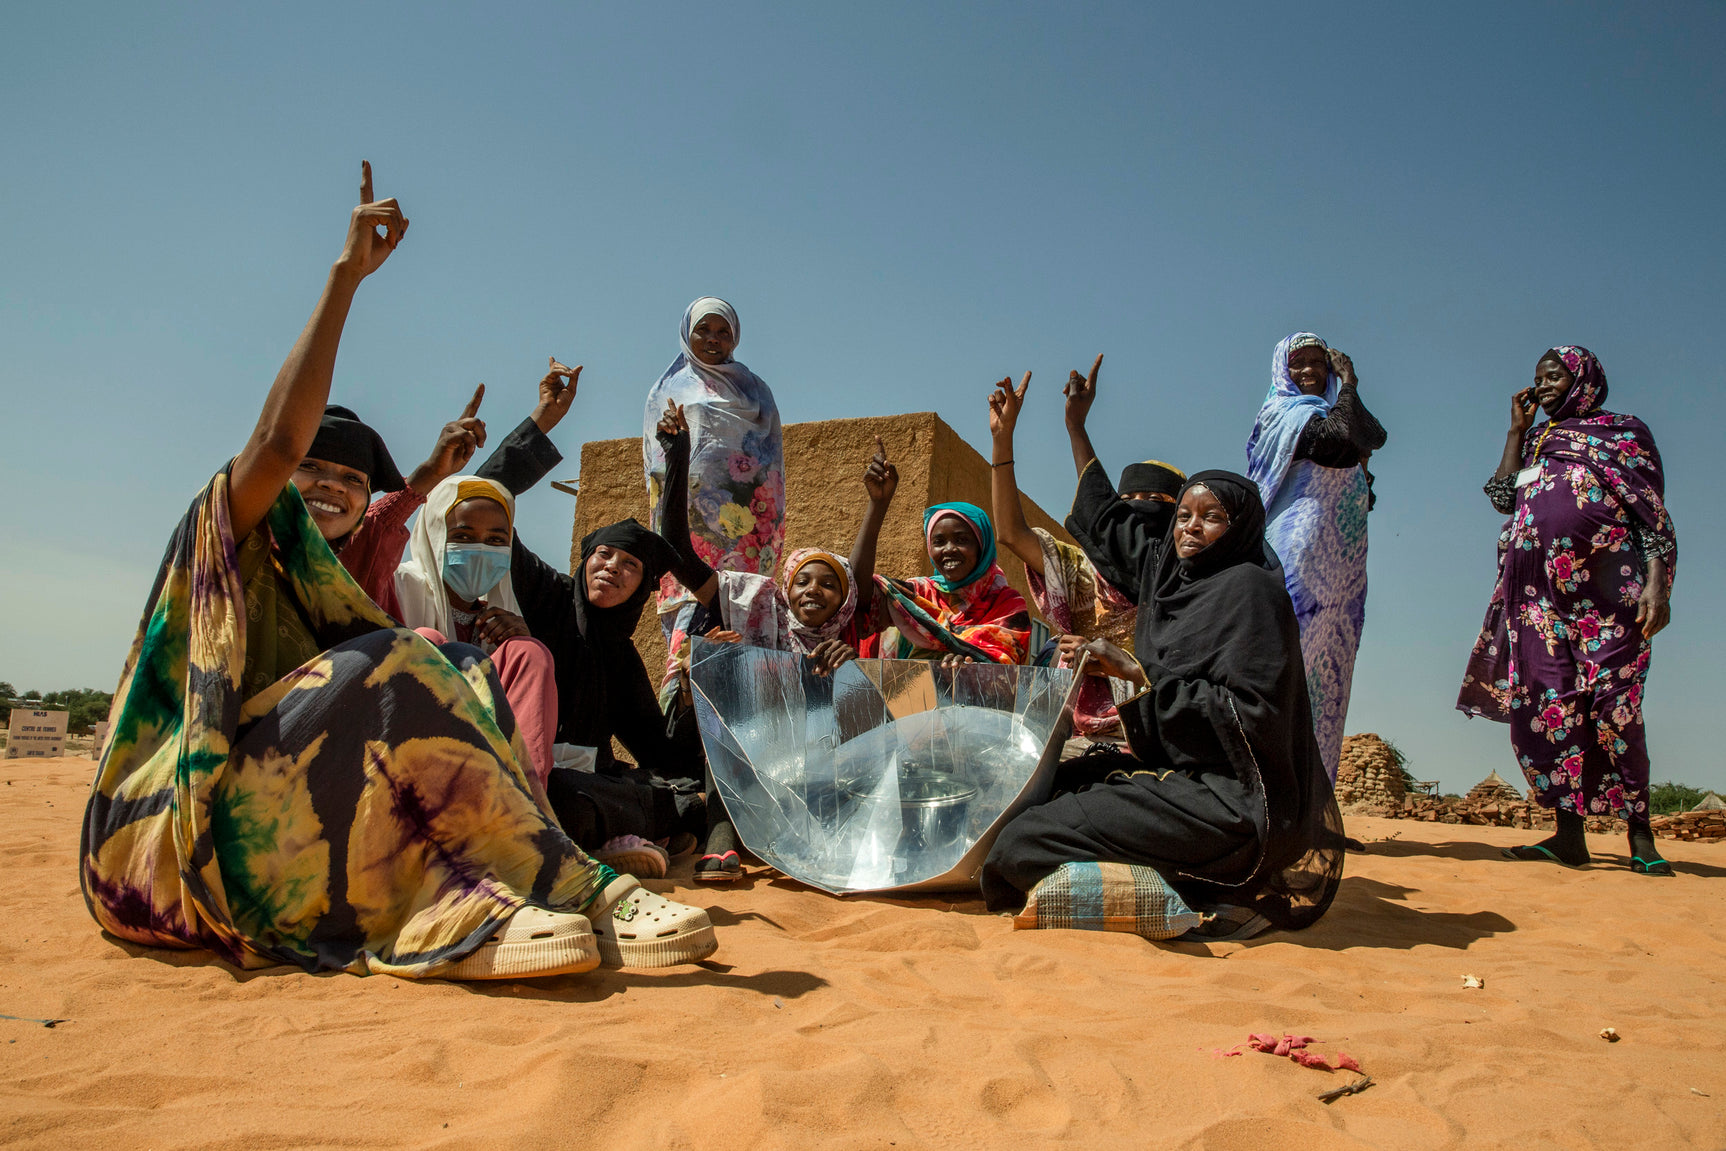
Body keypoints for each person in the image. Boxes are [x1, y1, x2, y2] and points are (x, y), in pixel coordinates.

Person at [79, 163, 715, 978]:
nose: (336, 487)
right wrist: (345, 279)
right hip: (193, 820)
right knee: (408, 653)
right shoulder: (231, 530)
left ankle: (539, 877)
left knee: (455, 664)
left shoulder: (348, 568)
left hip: (318, 796)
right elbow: (304, 457)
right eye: (318, 471)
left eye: (352, 478)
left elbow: (423, 502)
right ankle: (491, 900)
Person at [980, 469, 1342, 934]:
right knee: (1042, 793)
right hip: (1185, 775)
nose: (1191, 527)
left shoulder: (1249, 593)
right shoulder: (1177, 585)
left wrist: (1134, 675)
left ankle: (1200, 892)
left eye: (1211, 517)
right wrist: (1073, 426)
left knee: (1022, 845)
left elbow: (1251, 717)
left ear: (1240, 529)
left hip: (1238, 803)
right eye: (1184, 515)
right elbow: (1103, 521)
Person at [1458, 346, 1676, 874]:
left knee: (1615, 708)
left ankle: (1640, 837)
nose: (1545, 384)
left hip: (1609, 599)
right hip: (1536, 603)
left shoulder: (1622, 433)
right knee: (1547, 708)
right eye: (1538, 378)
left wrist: (1657, 586)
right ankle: (1567, 836)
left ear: (1584, 378)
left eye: (1554, 376)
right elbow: (1501, 497)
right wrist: (1516, 431)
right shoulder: (1537, 440)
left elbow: (1650, 514)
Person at [654, 401, 895, 880]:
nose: (814, 591)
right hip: (753, 762)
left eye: (829, 584)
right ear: (786, 586)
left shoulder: (845, 640)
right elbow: (677, 550)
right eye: (803, 581)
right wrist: (678, 457)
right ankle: (722, 836)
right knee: (732, 699)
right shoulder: (751, 604)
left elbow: (871, 730)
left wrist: (847, 673)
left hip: (821, 775)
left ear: (844, 602)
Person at [295, 361, 579, 619]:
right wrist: (432, 472)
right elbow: (373, 533)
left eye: (354, 479)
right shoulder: (395, 590)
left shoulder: (505, 631)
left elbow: (482, 498)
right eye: (309, 466)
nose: (332, 484)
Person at [989, 359, 1185, 734]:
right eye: (1130, 499)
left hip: (1151, 729)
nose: (1141, 505)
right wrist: (1003, 439)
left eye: (1155, 497)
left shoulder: (1183, 583)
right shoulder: (1080, 569)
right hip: (1072, 724)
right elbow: (1011, 533)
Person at [1244, 333, 1387, 784]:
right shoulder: (1281, 414)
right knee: (1287, 668)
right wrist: (1349, 383)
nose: (1308, 372)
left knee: (1328, 682)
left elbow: (1375, 435)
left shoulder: (1331, 408)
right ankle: (1271, 796)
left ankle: (1315, 806)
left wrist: (1349, 387)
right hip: (1298, 559)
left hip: (1342, 572)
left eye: (1318, 364)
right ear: (1281, 371)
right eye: (1297, 364)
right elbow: (1343, 439)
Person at [643, 297, 785, 705]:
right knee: (694, 617)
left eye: (723, 332)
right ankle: (680, 719)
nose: (713, 339)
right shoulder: (667, 390)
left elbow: (770, 462)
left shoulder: (755, 390)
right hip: (690, 525)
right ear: (688, 332)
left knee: (739, 618)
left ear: (735, 337)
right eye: (704, 329)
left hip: (748, 530)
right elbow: (657, 464)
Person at [392, 474, 559, 789]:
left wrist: (516, 641)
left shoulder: (499, 619)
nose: (481, 549)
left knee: (530, 652)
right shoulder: (398, 587)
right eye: (464, 537)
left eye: (496, 540)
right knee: (428, 641)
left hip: (487, 769)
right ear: (435, 535)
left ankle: (524, 803)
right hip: (405, 754)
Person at [865, 499, 1031, 666]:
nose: (949, 549)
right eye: (939, 542)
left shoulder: (1007, 605)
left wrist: (972, 666)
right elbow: (858, 596)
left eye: (961, 540)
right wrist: (877, 503)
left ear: (982, 546)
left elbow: (1006, 668)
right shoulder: (913, 596)